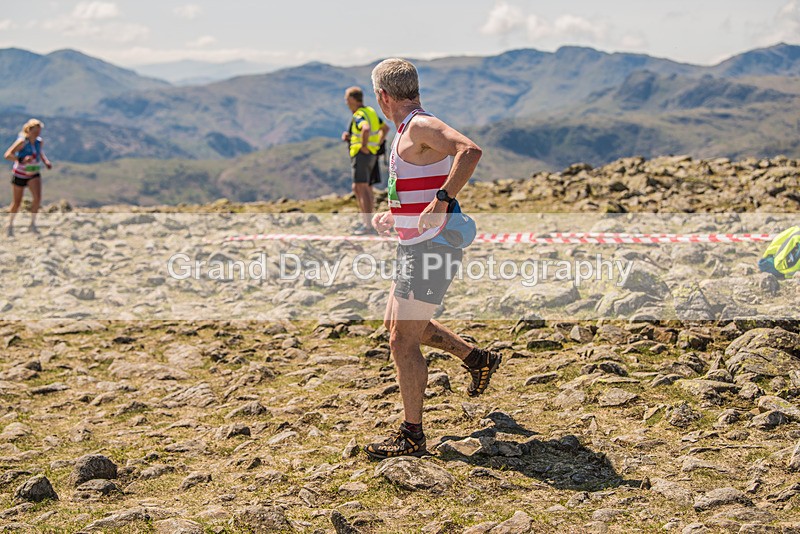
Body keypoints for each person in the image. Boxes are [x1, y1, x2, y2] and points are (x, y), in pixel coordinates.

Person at [365, 58, 502, 460]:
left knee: (401, 340)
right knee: (399, 325)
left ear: (382, 96)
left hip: (432, 247)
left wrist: (443, 201)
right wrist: (397, 214)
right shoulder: (409, 131)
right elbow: (421, 182)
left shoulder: (421, 125)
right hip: (415, 244)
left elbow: (470, 151)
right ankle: (477, 359)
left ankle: (412, 436)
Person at [341, 86, 389, 235]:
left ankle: (367, 226)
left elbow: (366, 129)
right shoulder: (371, 111)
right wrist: (376, 144)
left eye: (347, 99)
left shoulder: (359, 115)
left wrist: (364, 147)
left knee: (360, 187)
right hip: (371, 154)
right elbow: (385, 128)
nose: (346, 102)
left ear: (353, 100)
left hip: (362, 155)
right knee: (365, 187)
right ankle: (369, 222)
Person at [4, 118, 51, 236]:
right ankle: (10, 224)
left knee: (37, 198)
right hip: (20, 173)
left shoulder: (39, 142)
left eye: (39, 132)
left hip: (34, 172)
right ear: (29, 130)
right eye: (35, 132)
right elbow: (8, 155)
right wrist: (21, 159)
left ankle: (32, 224)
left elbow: (40, 152)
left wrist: (45, 161)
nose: (37, 134)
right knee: (17, 202)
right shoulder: (22, 142)